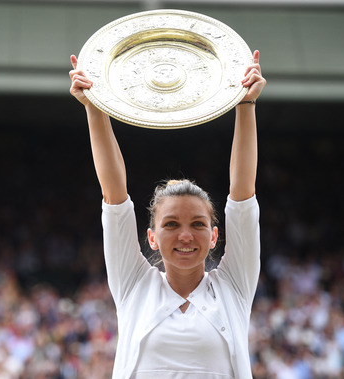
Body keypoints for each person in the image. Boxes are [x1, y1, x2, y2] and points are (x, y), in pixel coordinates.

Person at [69, 50, 266, 378]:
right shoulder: (135, 284)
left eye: (198, 224)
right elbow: (114, 197)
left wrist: (246, 105)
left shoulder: (233, 286)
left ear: (215, 236)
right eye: (171, 224)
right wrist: (94, 105)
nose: (186, 235)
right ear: (152, 237)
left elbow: (243, 195)